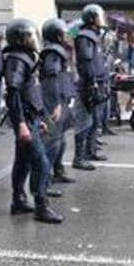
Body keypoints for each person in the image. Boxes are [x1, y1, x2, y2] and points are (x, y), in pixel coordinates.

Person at [4, 18, 63, 224]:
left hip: (31, 118)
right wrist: (21, 124)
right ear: (19, 39)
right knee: (42, 163)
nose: (33, 39)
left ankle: (18, 200)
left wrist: (39, 118)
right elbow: (13, 95)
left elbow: (31, 91)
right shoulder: (17, 60)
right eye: (29, 35)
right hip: (25, 121)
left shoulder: (26, 57)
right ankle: (41, 206)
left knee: (22, 162)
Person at [39, 18, 77, 186]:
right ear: (56, 35)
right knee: (52, 142)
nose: (67, 35)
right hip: (55, 102)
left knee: (60, 140)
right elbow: (51, 78)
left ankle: (58, 170)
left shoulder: (60, 50)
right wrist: (55, 104)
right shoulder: (53, 52)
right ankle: (44, 182)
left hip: (62, 99)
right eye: (63, 33)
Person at [73, 3, 109, 170]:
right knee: (85, 121)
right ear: (92, 18)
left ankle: (90, 151)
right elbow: (87, 62)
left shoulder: (94, 36)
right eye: (99, 16)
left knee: (95, 120)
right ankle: (78, 158)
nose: (103, 19)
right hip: (88, 85)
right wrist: (93, 82)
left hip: (97, 83)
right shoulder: (86, 37)